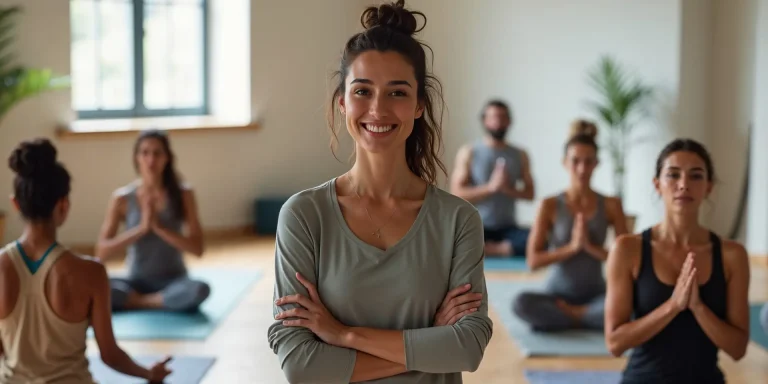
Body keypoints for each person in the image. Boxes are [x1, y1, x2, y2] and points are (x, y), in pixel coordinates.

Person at [267, 1, 492, 383]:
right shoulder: (304, 215)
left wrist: (343, 335)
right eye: (362, 91)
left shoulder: (457, 220)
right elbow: (301, 366)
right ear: (343, 103)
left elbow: (467, 348)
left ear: (420, 105)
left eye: (397, 93)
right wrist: (429, 346)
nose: (377, 109)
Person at [0, 138, 172, 383]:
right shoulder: (91, 272)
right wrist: (149, 373)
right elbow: (110, 354)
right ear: (64, 205)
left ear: (15, 204)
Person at [605, 139, 750, 383]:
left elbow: (737, 349)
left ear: (708, 187)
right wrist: (673, 306)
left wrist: (698, 307)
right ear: (657, 184)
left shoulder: (732, 255)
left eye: (695, 176)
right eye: (673, 175)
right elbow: (615, 343)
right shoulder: (628, 249)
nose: (683, 185)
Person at [512, 120, 628, 331]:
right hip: (555, 295)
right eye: (576, 161)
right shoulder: (549, 205)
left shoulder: (611, 205)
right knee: (520, 303)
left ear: (596, 163)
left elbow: (628, 261)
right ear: (565, 162)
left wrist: (590, 248)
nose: (582, 169)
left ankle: (571, 316)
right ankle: (584, 319)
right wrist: (572, 248)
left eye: (588, 161)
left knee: (633, 303)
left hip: (596, 297)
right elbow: (533, 260)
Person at [95, 129, 210, 312]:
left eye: (157, 153)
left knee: (200, 289)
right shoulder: (122, 198)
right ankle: (157, 302)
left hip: (174, 281)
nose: (151, 160)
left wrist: (159, 228)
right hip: (135, 281)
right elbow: (101, 251)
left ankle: (137, 302)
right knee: (91, 285)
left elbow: (198, 249)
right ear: (136, 158)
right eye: (145, 153)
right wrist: (141, 229)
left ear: (167, 158)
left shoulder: (184, 195)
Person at [450, 99, 535, 257]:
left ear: (509, 121)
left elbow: (530, 194)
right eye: (493, 117)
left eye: (502, 117)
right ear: (484, 120)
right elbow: (456, 193)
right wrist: (491, 188)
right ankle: (499, 249)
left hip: (508, 228)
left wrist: (508, 189)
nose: (498, 122)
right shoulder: (469, 152)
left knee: (537, 238)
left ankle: (490, 250)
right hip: (478, 226)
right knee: (452, 238)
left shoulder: (520, 155)